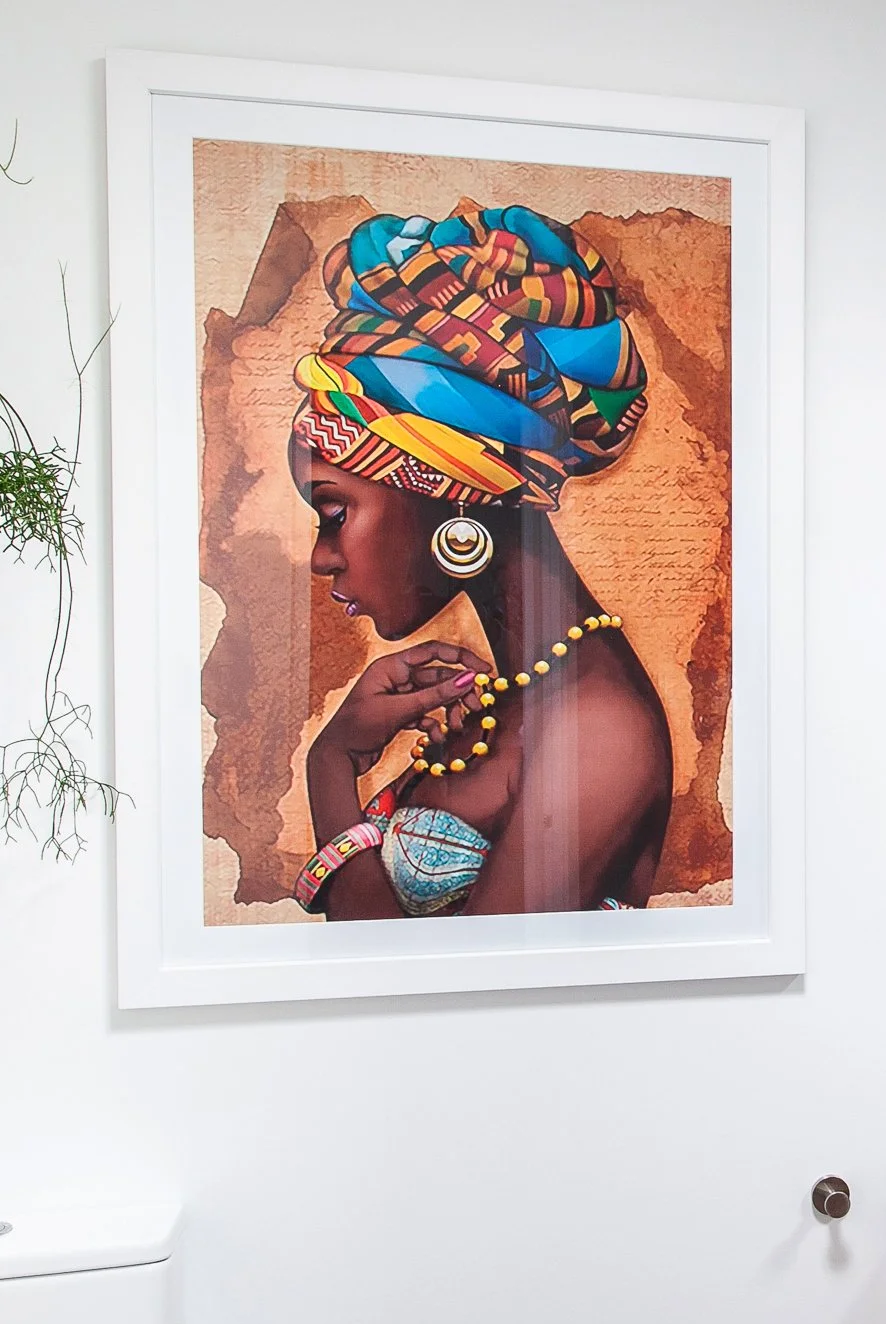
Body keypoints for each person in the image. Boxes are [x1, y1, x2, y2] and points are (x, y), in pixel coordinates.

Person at [286, 206, 671, 920]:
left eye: (334, 514)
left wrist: (332, 763)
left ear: (453, 494)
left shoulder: (598, 728)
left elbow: (429, 978)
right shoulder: (516, 694)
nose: (320, 558)